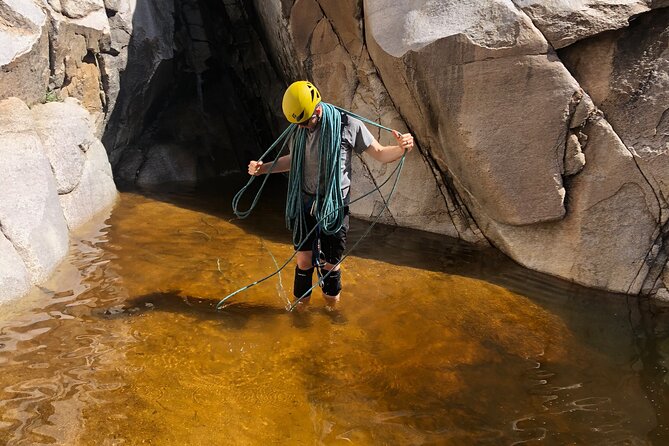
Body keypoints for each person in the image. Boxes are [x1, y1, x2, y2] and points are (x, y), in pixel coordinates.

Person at [247, 81, 414, 310]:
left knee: (331, 265)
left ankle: (331, 313)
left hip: (334, 204)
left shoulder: (347, 124)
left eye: (305, 122)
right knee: (303, 260)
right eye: (298, 124)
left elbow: (381, 154)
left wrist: (401, 148)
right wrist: (263, 168)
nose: (303, 127)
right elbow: (295, 160)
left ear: (317, 109)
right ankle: (301, 315)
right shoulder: (299, 127)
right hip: (305, 199)